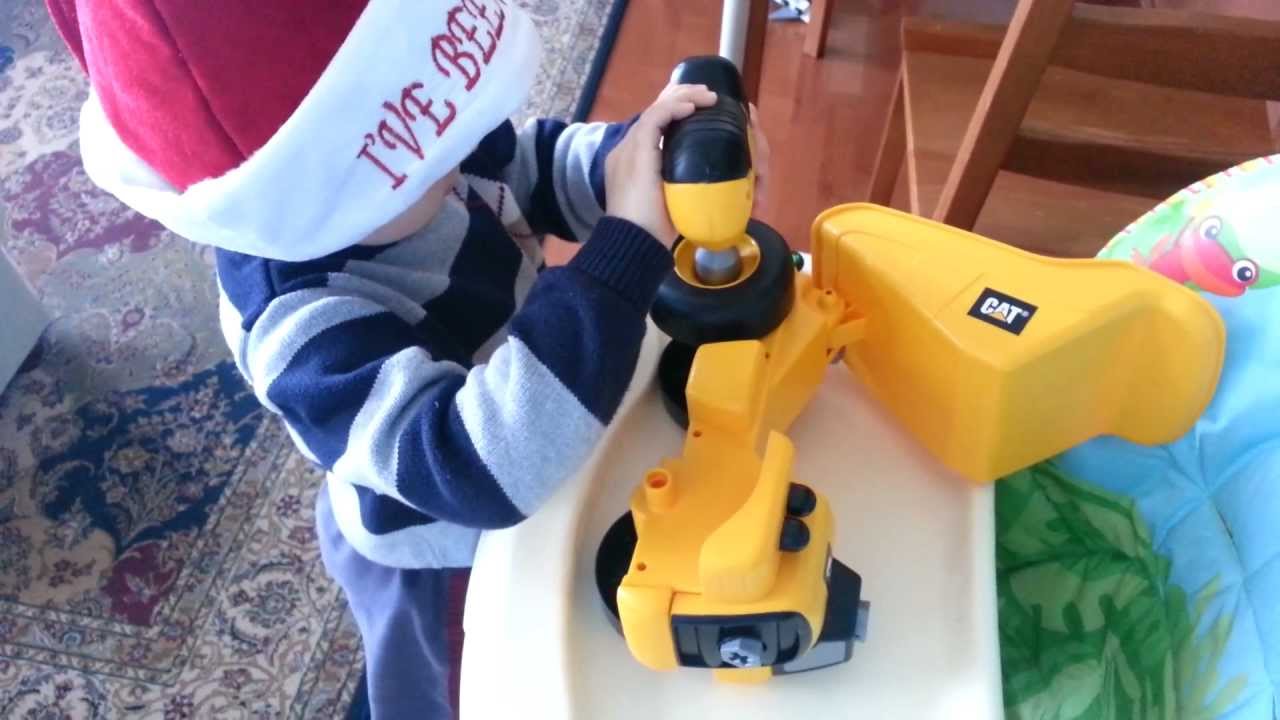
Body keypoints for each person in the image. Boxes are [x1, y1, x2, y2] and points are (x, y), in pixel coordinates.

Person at [48, 0, 767, 717]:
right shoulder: (296, 326)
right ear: (314, 188)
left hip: (541, 437)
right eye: (426, 160)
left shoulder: (419, 156)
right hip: (445, 551)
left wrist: (634, 166)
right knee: (468, 693)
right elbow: (481, 464)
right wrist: (625, 252)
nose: (459, 160)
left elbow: (523, 168)